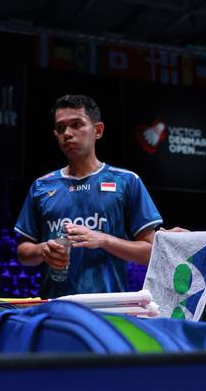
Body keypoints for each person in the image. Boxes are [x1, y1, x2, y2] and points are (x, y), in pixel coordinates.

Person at [15, 95, 162, 298]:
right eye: (61, 128)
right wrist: (43, 250)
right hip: (55, 306)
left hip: (109, 308)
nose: (67, 133)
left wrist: (103, 239)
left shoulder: (127, 181)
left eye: (76, 124)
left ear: (98, 130)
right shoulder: (41, 186)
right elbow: (23, 252)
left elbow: (151, 252)